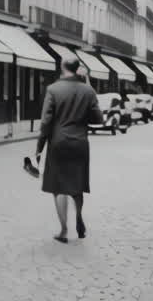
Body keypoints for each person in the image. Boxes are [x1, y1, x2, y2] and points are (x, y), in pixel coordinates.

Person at [35, 56, 103, 244]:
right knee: (77, 186)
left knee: (58, 187)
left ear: (62, 67)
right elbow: (98, 119)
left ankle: (65, 230)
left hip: (58, 142)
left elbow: (45, 122)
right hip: (80, 142)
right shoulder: (88, 90)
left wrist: (39, 147)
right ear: (77, 68)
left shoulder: (53, 89)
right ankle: (78, 218)